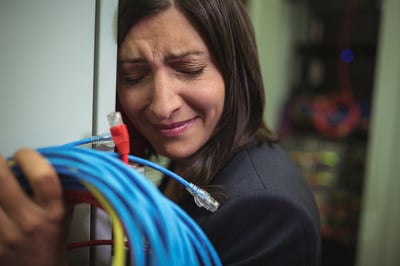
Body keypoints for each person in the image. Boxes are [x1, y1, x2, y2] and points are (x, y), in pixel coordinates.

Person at [0, 0, 321, 265]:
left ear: (235, 72)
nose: (162, 106)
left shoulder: (270, 213)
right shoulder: (191, 161)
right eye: (134, 75)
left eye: (189, 69)